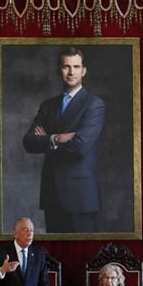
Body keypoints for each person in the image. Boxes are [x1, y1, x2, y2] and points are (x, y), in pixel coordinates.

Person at [22, 47, 105, 233]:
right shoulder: (48, 105)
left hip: (81, 197)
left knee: (82, 258)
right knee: (55, 257)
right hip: (52, 194)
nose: (71, 71)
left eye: (76, 66)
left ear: (83, 70)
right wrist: (56, 138)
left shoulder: (94, 104)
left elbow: (80, 146)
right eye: (66, 66)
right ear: (59, 70)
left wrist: (46, 141)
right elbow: (28, 141)